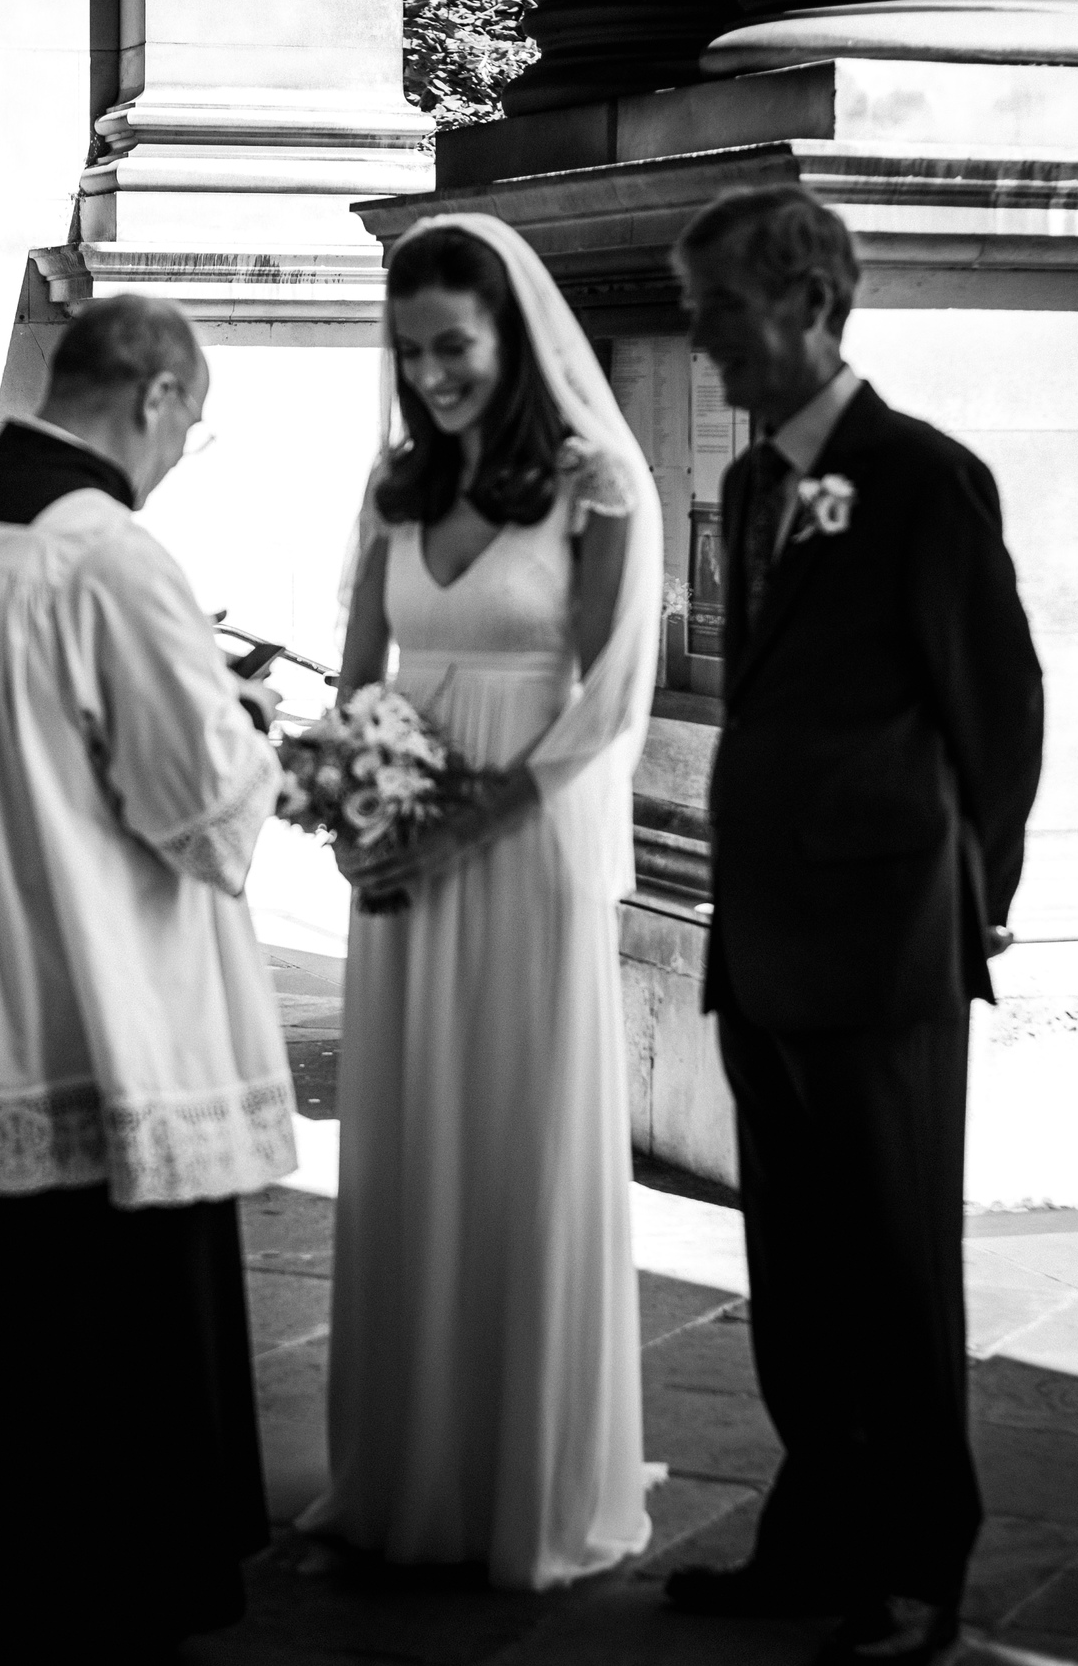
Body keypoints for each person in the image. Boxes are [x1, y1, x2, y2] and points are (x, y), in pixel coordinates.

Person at [0, 293, 295, 1655]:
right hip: (96, 981)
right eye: (189, 428)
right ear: (153, 399)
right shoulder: (105, 549)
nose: (177, 453)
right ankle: (128, 1559)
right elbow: (196, 804)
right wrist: (250, 728)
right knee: (122, 1280)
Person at [660, 185, 1045, 1666]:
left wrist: (970, 909)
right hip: (758, 941)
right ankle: (810, 1546)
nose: (701, 343)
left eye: (719, 311)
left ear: (811, 305)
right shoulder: (758, 487)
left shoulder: (924, 479)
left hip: (885, 945)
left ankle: (914, 1575)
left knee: (892, 1278)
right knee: (800, 1283)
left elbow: (997, 714)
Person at [299, 214, 665, 1591]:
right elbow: (355, 680)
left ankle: (530, 1483)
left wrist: (471, 819)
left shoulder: (599, 486)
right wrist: (352, 815)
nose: (434, 374)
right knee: (409, 1143)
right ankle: (405, 1473)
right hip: (405, 850)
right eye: (412, 353)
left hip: (532, 847)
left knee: (516, 1140)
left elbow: (611, 698)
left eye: (453, 345)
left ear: (512, 335)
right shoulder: (394, 487)